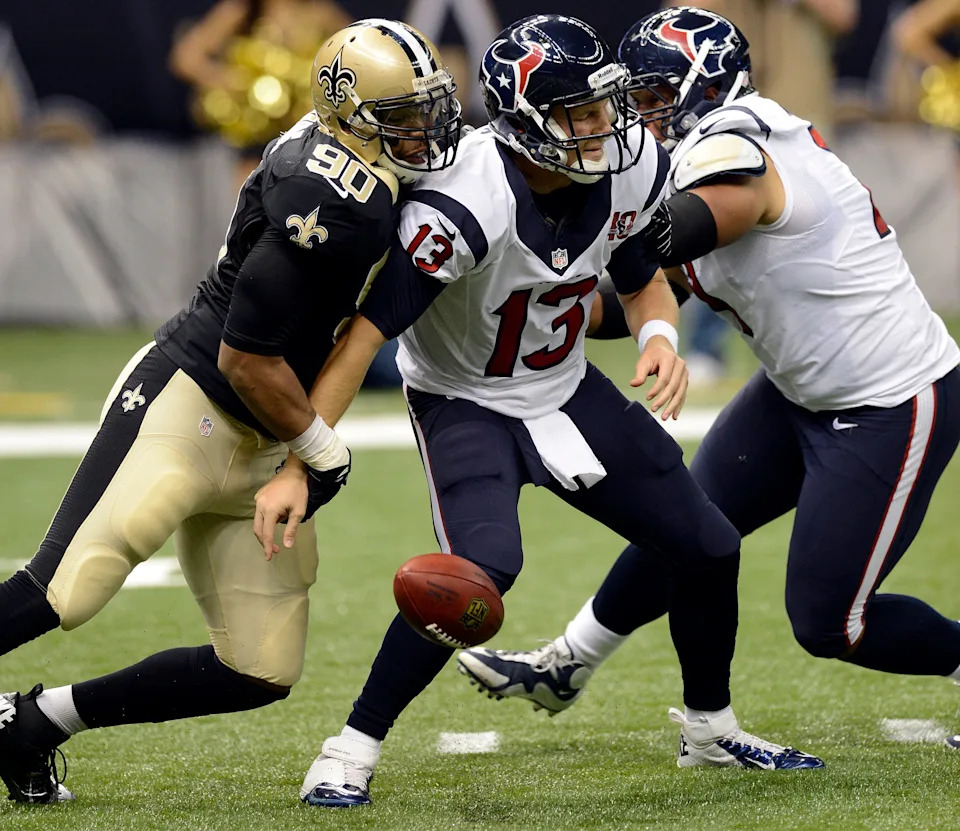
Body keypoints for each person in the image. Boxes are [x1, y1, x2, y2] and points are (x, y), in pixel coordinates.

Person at [254, 13, 824, 810]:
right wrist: (299, 463)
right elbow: (362, 341)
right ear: (523, 123)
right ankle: (350, 746)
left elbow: (638, 274)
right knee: (473, 578)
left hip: (564, 384)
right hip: (466, 400)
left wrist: (657, 333)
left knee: (708, 544)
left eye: (604, 107)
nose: (603, 128)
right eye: (579, 115)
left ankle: (709, 726)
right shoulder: (461, 203)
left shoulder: (627, 170)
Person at [456, 7, 960, 747]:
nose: (640, 118)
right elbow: (639, 295)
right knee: (687, 525)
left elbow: (678, 230)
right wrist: (530, 302)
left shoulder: (735, 142)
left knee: (830, 622)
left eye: (656, 100)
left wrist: (583, 215)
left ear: (707, 86)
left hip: (887, 398)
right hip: (798, 391)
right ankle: (569, 663)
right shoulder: (691, 156)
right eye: (636, 100)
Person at [0, 19, 461, 804]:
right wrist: (318, 446)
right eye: (404, 117)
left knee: (259, 666)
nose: (425, 133)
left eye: (428, 112)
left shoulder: (372, 166)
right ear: (352, 117)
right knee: (68, 587)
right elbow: (245, 358)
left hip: (264, 440)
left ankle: (34, 721)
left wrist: (299, 450)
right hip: (192, 402)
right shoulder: (326, 193)